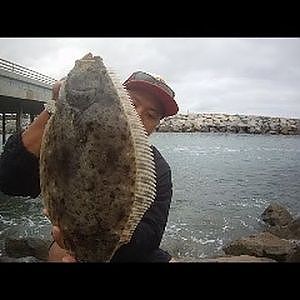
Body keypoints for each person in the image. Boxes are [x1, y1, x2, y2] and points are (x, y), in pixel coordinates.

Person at [0, 68, 179, 262]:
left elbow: (150, 234)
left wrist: (92, 244)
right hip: (71, 242)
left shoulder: (159, 169)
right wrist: (56, 108)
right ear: (118, 103)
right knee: (59, 254)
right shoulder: (69, 138)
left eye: (151, 115)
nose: (137, 115)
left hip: (120, 250)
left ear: (157, 124)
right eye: (132, 104)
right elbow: (10, 180)